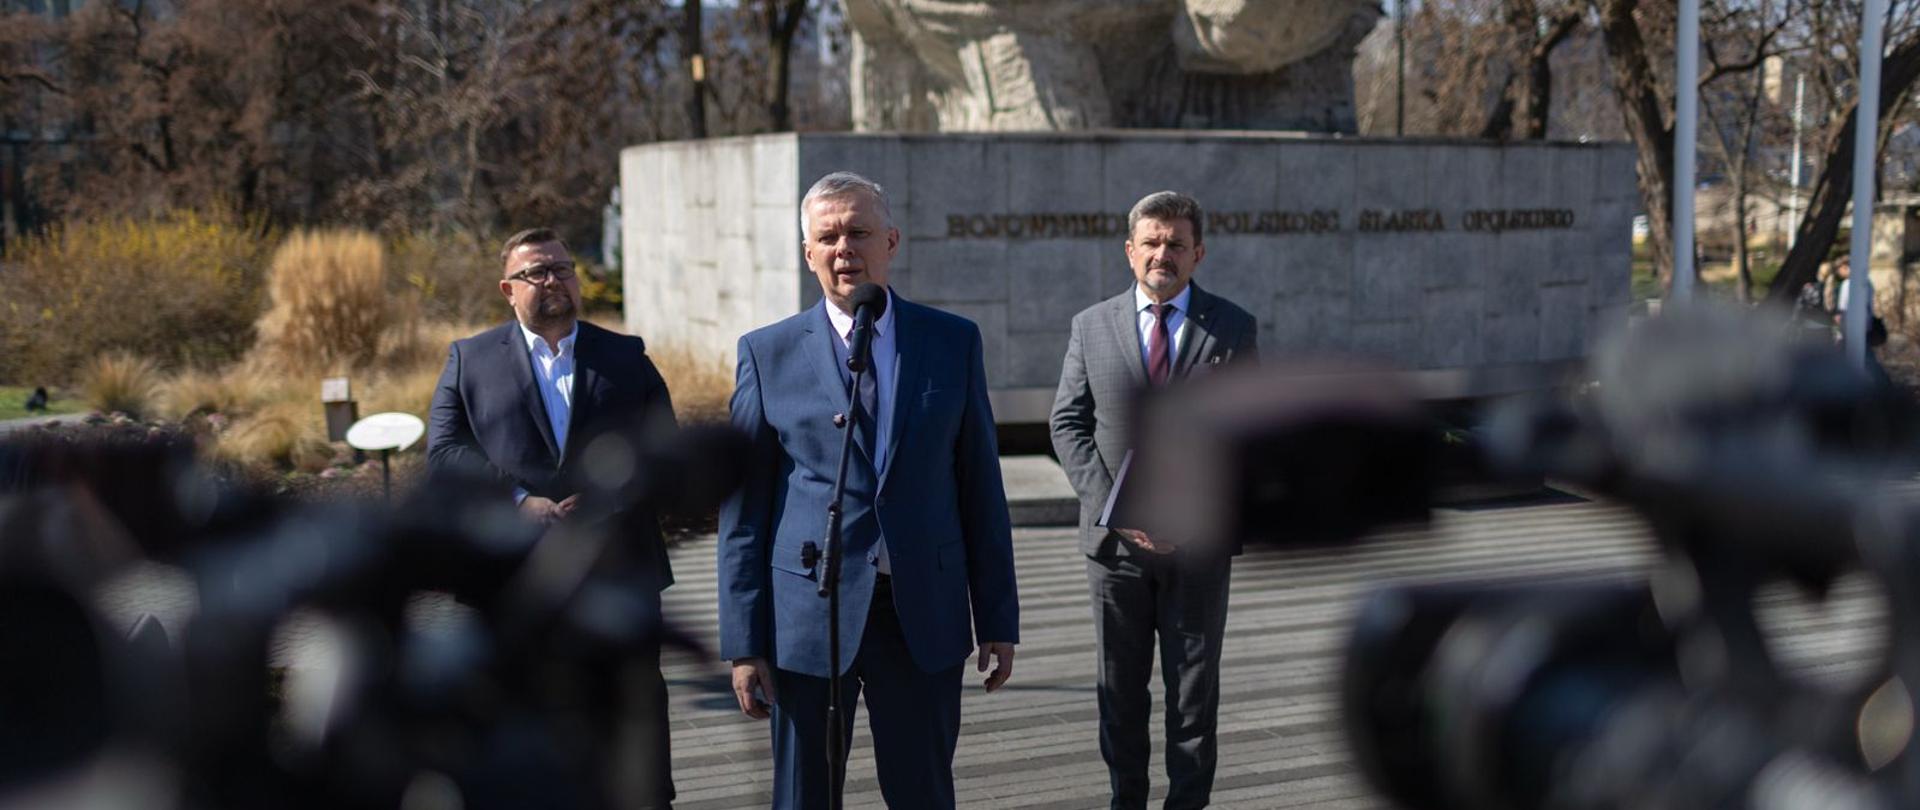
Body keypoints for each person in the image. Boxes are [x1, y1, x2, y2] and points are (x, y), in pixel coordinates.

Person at [717, 171, 1019, 810]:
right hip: (808, 612)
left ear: (891, 241)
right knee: (803, 796)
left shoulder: (951, 341)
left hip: (921, 610)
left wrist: (996, 616)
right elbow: (743, 513)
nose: (843, 248)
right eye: (826, 237)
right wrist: (745, 643)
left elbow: (979, 487)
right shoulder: (765, 353)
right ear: (808, 255)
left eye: (858, 232)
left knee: (923, 793)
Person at [426, 227, 679, 807]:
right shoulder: (469, 360)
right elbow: (443, 454)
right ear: (507, 289)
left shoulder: (626, 355)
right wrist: (519, 501)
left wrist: (612, 493)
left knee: (633, 708)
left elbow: (663, 446)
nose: (554, 281)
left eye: (563, 268)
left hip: (618, 565)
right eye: (536, 272)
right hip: (511, 575)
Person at [1049, 191, 1259, 810]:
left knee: (1193, 698)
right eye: (1151, 242)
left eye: (1175, 244)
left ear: (1197, 253)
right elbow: (1068, 423)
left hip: (1198, 547)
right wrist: (1116, 509)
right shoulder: (1090, 326)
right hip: (1115, 554)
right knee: (1120, 693)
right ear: (1129, 251)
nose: (1161, 254)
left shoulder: (1233, 327)